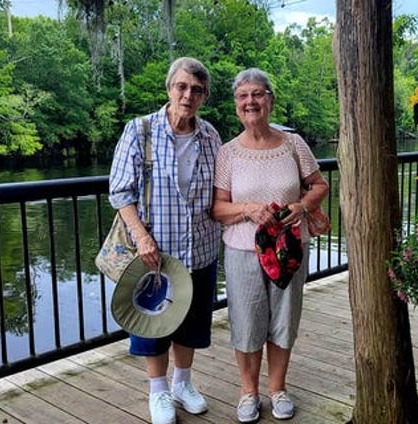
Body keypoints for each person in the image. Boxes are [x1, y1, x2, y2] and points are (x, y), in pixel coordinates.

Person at [211, 68, 329, 423]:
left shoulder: (294, 144)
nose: (251, 102)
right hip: (243, 250)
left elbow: (319, 185)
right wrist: (247, 209)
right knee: (246, 322)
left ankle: (277, 389)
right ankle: (249, 392)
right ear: (236, 105)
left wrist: (302, 205)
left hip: (290, 248)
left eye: (258, 94)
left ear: (270, 100)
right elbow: (218, 208)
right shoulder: (228, 153)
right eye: (243, 96)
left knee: (284, 319)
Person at [108, 57, 221, 424]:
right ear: (169, 88)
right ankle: (158, 392)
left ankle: (183, 384)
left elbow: (221, 191)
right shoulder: (140, 130)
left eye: (197, 90)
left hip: (200, 249)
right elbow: (120, 191)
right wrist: (141, 237)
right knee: (153, 325)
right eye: (182, 87)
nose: (189, 95)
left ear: (204, 97)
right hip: (155, 253)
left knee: (189, 321)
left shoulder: (210, 136)